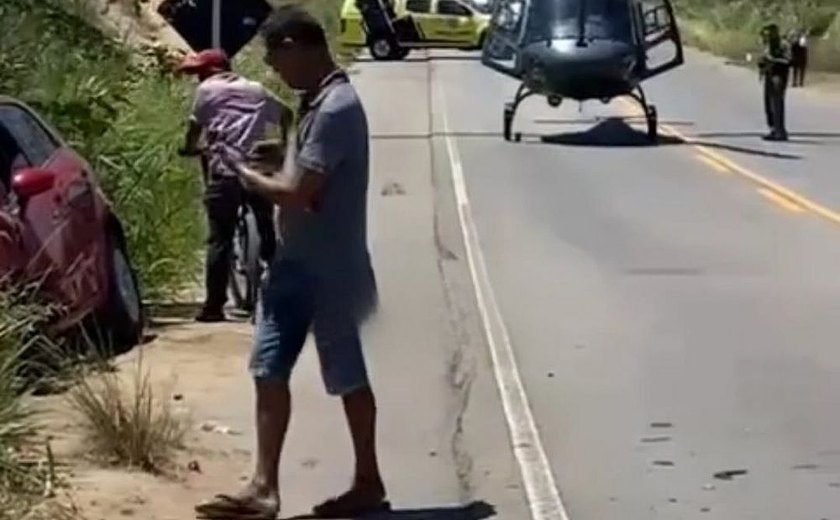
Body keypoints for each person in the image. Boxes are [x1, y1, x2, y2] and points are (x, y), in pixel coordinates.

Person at [194, 6, 387, 520]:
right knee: (268, 366)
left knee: (346, 376)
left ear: (296, 47)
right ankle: (264, 487)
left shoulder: (336, 108)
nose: (276, 73)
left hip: (330, 271)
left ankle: (367, 481)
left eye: (276, 61)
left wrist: (241, 171)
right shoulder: (316, 102)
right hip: (296, 264)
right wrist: (272, 157)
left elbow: (299, 191)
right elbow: (302, 169)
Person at [176, 49, 291, 322]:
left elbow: (195, 130)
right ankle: (277, 297)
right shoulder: (257, 90)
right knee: (267, 232)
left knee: (219, 239)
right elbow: (287, 115)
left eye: (200, 73)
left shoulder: (206, 90)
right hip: (258, 171)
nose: (198, 79)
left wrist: (190, 148)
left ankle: (213, 307)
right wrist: (286, 146)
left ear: (211, 72)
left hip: (224, 172)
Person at [758, 23, 792, 142]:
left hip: (779, 76)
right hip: (769, 75)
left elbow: (788, 60)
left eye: (768, 34)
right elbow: (764, 59)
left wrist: (773, 60)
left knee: (777, 104)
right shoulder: (768, 45)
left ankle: (780, 131)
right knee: (768, 104)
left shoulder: (783, 44)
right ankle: (773, 129)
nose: (765, 38)